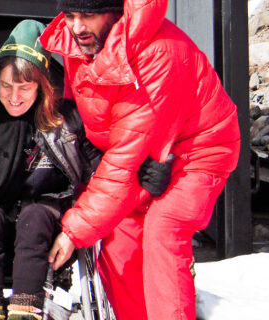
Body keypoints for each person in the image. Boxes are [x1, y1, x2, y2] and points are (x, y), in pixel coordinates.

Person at [0, 20, 173, 320]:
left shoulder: (65, 119)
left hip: (47, 226)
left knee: (34, 215)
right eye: (6, 85)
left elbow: (103, 164)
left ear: (42, 85)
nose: (14, 95)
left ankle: (25, 309)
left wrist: (140, 171)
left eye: (24, 87)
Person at [38, 0, 242, 319]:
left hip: (196, 151)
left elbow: (127, 163)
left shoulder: (156, 53)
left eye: (88, 15)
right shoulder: (81, 42)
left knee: (163, 230)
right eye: (70, 15)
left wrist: (74, 230)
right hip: (141, 151)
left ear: (114, 11)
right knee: (118, 244)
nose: (77, 26)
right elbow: (81, 118)